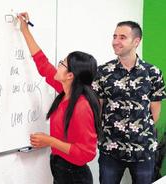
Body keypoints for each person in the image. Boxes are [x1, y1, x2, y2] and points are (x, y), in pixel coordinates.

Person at [17, 12, 102, 184]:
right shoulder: (67, 90)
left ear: (70, 75)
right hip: (61, 168)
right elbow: (42, 64)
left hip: (74, 175)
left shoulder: (81, 105)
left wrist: (49, 141)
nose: (58, 65)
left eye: (62, 64)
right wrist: (24, 30)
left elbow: (86, 153)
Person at [92, 21, 166, 184]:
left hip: (143, 150)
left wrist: (136, 133)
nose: (115, 41)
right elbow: (99, 108)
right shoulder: (103, 72)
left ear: (136, 41)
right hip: (110, 149)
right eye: (114, 36)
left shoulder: (152, 73)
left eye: (122, 37)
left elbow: (155, 112)